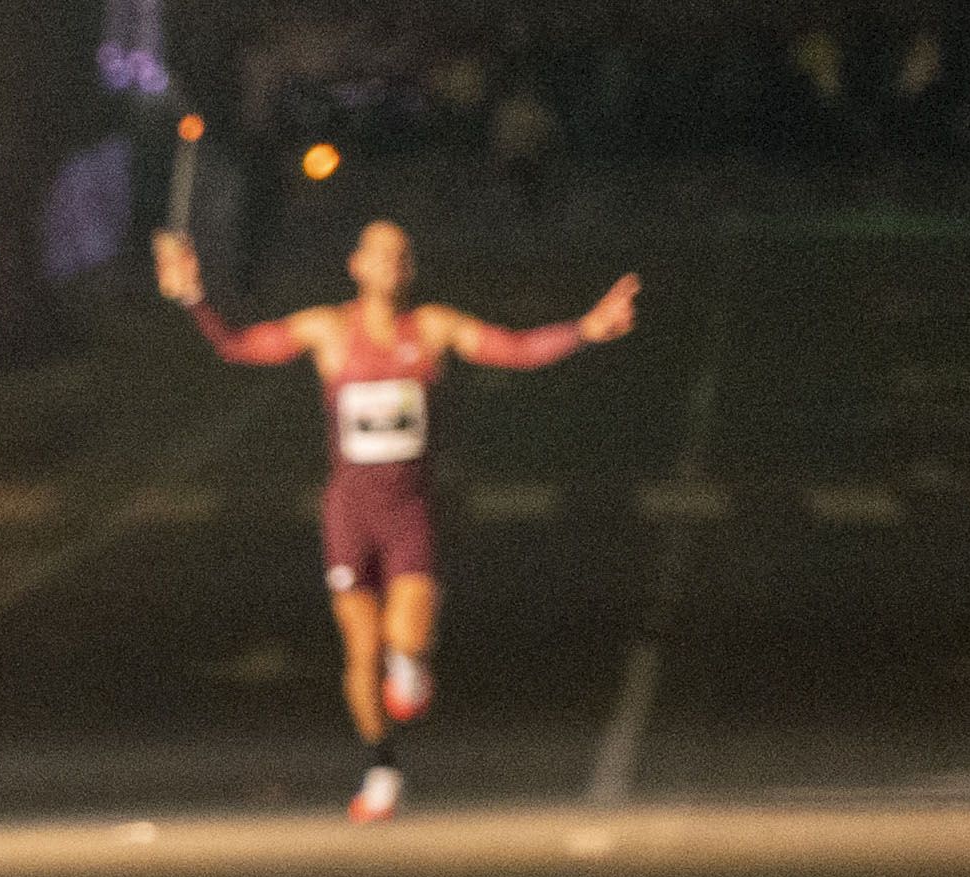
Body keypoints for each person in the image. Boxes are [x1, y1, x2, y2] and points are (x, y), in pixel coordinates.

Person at [153, 219, 636, 819]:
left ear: (409, 269)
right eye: (379, 253)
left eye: (401, 255)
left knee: (403, 640)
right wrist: (194, 296)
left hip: (408, 511)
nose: (391, 263)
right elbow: (238, 346)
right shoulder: (327, 330)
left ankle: (410, 667)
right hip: (348, 514)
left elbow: (512, 348)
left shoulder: (431, 328)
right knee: (360, 649)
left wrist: (585, 330)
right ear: (356, 265)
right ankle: (381, 765)